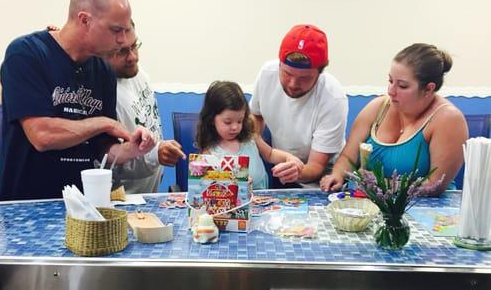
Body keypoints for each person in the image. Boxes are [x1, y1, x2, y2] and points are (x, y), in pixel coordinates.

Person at [0, 0, 157, 200]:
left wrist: (131, 150)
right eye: (116, 30)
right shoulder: (26, 54)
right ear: (85, 20)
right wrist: (104, 122)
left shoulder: (103, 70)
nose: (122, 40)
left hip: (84, 205)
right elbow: (42, 135)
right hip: (27, 202)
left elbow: (101, 146)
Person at [320, 43, 469, 196]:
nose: (390, 91)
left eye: (402, 86)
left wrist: (379, 183)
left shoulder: (448, 119)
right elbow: (347, 156)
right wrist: (337, 175)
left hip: (423, 209)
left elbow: (434, 186)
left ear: (429, 89)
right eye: (390, 81)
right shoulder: (379, 107)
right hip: (367, 204)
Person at [250, 24, 348, 186]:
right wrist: (254, 144)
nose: (293, 83)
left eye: (304, 78)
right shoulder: (267, 73)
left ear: (320, 73)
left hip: (321, 180)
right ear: (280, 64)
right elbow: (256, 115)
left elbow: (316, 165)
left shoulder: (333, 98)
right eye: (287, 73)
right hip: (281, 167)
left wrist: (296, 171)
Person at [105, 25, 185, 193]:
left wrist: (158, 153)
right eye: (121, 51)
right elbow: (106, 161)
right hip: (120, 200)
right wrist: (155, 154)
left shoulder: (138, 73)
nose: (133, 57)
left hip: (148, 193)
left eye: (134, 46)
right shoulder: (100, 93)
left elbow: (151, 123)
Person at [195, 81, 303, 190]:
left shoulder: (250, 137)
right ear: (211, 120)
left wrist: (289, 157)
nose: (235, 127)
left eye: (240, 121)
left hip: (261, 198)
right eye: (227, 122)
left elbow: (270, 154)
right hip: (232, 201)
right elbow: (206, 185)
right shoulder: (209, 152)